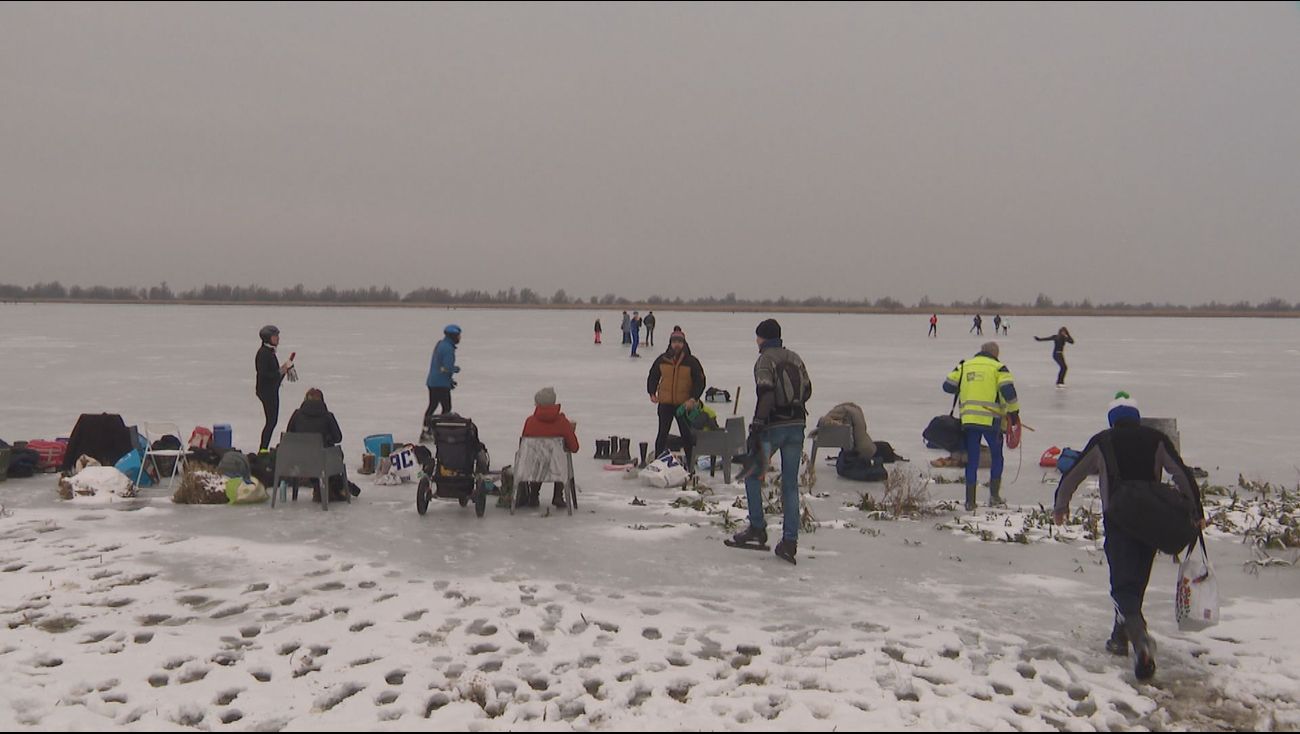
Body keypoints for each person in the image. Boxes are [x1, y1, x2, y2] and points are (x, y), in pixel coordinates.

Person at [1053, 393, 1205, 681]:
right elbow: (1181, 474)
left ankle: (1140, 640)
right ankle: (1119, 637)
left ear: (1112, 420)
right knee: (1136, 580)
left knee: (1122, 585)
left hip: (1119, 518)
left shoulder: (1103, 440)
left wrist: (1061, 506)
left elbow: (1073, 473)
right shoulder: (1155, 439)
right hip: (1151, 520)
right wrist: (1195, 510)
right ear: (1136, 417)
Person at [728, 319, 812, 565]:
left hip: (774, 426)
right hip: (797, 425)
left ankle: (757, 527)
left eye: (757, 337)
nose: (756, 341)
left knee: (753, 474)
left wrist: (757, 424)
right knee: (790, 485)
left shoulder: (765, 360)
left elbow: (765, 393)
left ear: (763, 338)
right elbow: (807, 390)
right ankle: (789, 542)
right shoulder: (795, 357)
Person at [943, 341, 1021, 510]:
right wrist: (1014, 414)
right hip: (991, 421)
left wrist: (967, 387)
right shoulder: (999, 368)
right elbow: (1009, 392)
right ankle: (994, 496)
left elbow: (947, 386)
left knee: (972, 460)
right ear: (996, 354)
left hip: (969, 421)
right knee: (997, 457)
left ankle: (970, 502)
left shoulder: (964, 365)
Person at [647, 328, 706, 465]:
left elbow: (700, 381)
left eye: (680, 342)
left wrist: (693, 398)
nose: (677, 345)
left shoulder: (691, 362)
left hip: (684, 405)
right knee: (662, 435)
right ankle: (658, 464)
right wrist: (651, 392)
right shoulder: (662, 359)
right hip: (665, 404)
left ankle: (690, 466)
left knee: (687, 437)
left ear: (684, 343)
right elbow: (653, 375)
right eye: (674, 342)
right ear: (670, 343)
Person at [286, 387, 353, 500]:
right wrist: (327, 439)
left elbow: (289, 436)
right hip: (323, 462)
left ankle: (321, 488)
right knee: (334, 454)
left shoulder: (296, 415)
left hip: (298, 462)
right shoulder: (328, 416)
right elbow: (338, 437)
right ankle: (330, 488)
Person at [518, 387, 580, 508]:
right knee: (559, 458)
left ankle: (534, 496)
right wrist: (571, 432)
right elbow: (574, 448)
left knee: (538, 458)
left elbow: (523, 447)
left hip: (533, 469)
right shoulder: (563, 422)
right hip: (557, 469)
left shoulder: (530, 422)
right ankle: (558, 496)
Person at [255, 325, 293, 451]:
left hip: (271, 390)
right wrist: (281, 371)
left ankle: (263, 449)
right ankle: (263, 449)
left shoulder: (269, 352)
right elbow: (265, 374)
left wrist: (284, 369)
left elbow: (274, 376)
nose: (278, 338)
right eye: (275, 336)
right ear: (267, 338)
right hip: (267, 392)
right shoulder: (263, 353)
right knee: (271, 421)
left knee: (272, 421)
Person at [424, 324, 462, 429]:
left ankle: (427, 430)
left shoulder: (441, 344)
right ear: (453, 336)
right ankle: (440, 431)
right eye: (458, 335)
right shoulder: (448, 349)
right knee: (446, 408)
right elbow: (446, 367)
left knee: (432, 406)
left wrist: (449, 380)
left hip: (433, 381)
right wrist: (455, 369)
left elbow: (439, 366)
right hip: (440, 384)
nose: (460, 338)